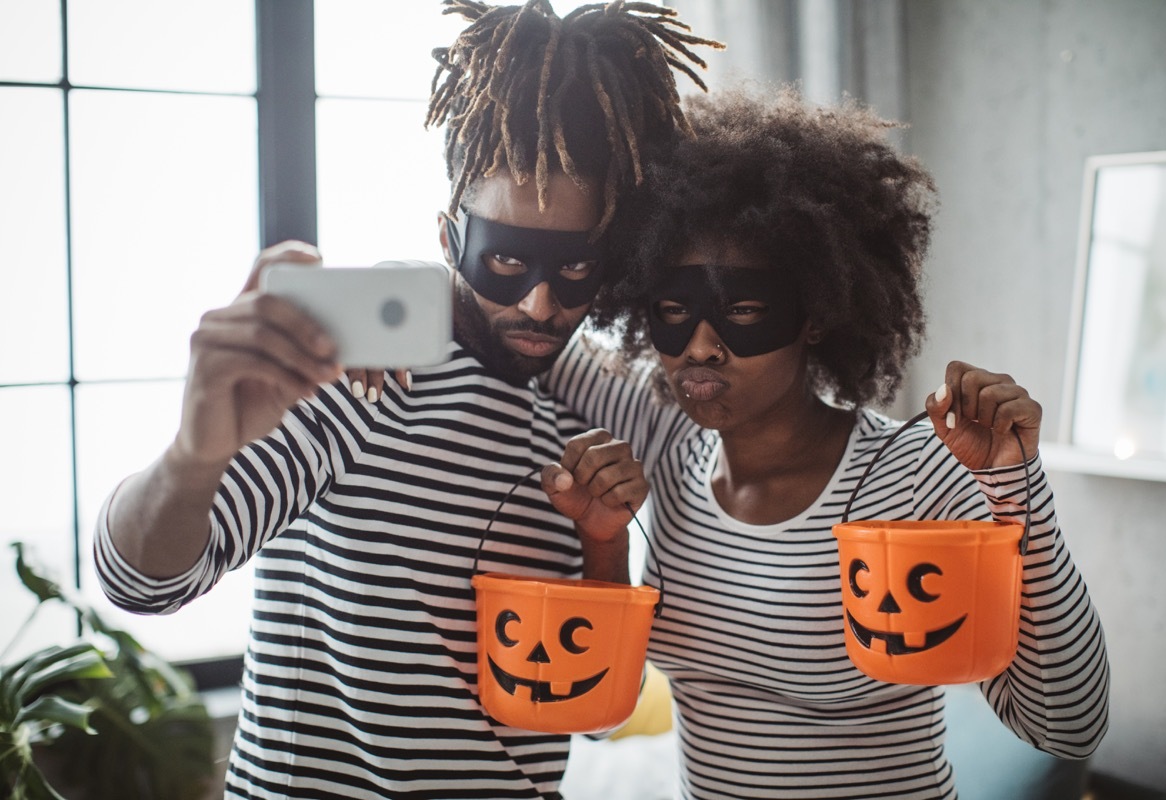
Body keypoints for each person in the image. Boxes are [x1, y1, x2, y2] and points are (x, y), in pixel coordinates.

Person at [92, 2, 720, 797]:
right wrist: (194, 455)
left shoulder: (598, 410)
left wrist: (604, 546)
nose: (536, 306)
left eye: (571, 271)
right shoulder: (364, 370)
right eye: (505, 262)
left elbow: (595, 710)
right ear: (449, 235)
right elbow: (141, 583)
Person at [537, 86, 1111, 798]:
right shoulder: (663, 441)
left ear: (815, 314)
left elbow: (1066, 725)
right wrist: (394, 303)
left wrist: (1019, 495)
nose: (701, 347)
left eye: (743, 309)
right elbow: (523, 323)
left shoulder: (909, 475)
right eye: (675, 312)